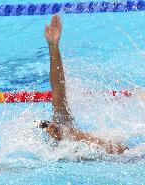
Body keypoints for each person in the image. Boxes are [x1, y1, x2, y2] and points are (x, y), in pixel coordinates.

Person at [38, 15, 127, 154]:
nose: (53, 127)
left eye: (50, 123)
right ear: (47, 136)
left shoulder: (64, 126)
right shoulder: (57, 151)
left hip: (125, 152)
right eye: (49, 128)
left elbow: (57, 87)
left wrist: (53, 46)